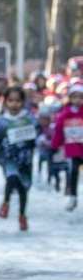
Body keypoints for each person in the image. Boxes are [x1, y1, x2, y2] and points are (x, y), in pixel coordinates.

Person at [0, 86, 39, 230]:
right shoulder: (1, 122)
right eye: (10, 101)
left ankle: (22, 215)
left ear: (23, 102)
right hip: (8, 157)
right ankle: (6, 202)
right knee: (11, 177)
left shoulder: (29, 119)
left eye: (18, 101)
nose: (14, 104)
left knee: (23, 188)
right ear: (5, 102)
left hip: (25, 159)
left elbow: (37, 135)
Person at [51, 82, 83, 211]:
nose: (78, 100)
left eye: (81, 97)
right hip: (73, 149)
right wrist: (54, 145)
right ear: (70, 98)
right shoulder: (64, 115)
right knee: (73, 172)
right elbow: (59, 132)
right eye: (75, 97)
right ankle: (73, 197)